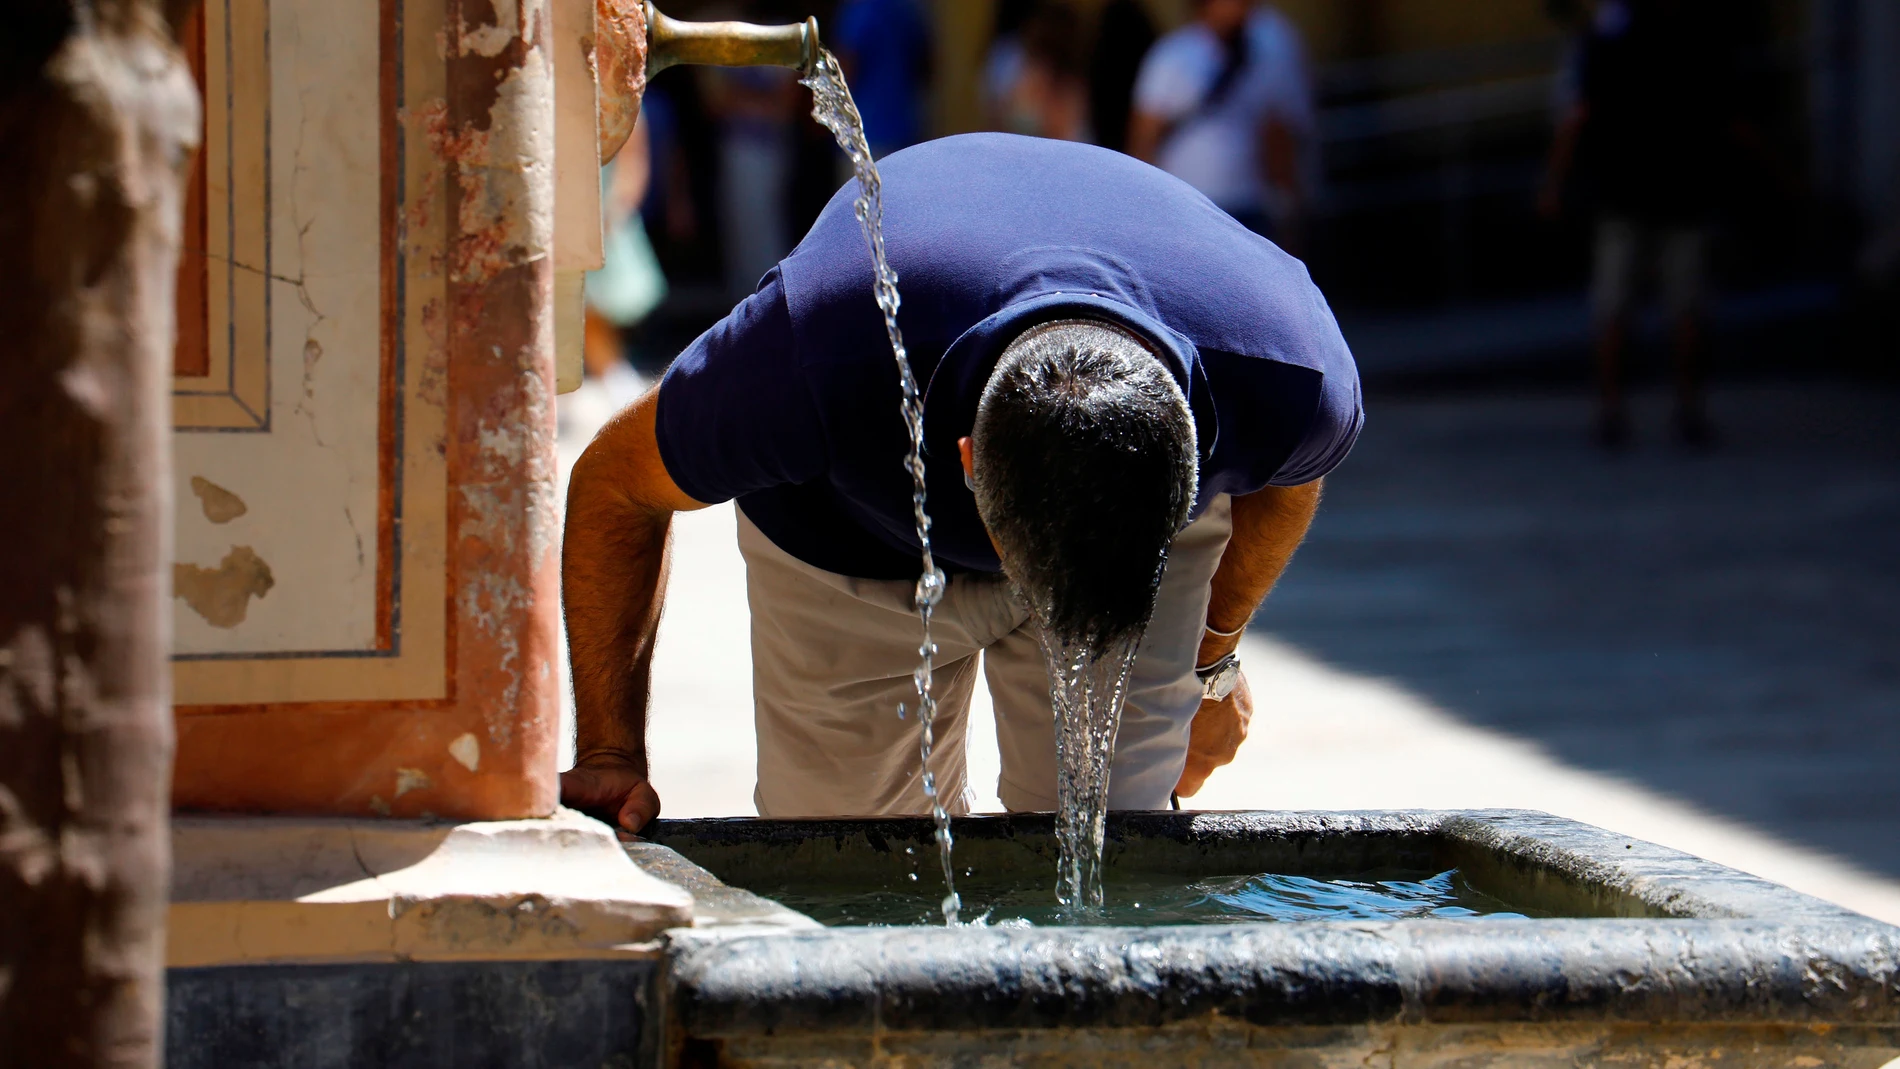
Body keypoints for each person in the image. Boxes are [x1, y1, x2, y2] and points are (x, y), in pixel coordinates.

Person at [560, 134, 1361, 834]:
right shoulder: (816, 352)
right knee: (854, 879)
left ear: (1191, 464)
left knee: (1117, 856)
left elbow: (1291, 479)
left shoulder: (1285, 366)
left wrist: (1210, 658)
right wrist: (608, 750)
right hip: (845, 536)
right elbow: (615, 485)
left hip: (1116, 509)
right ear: (968, 462)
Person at [1540, 0, 1744, 448]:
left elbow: (1578, 114)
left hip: (1626, 196)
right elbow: (1728, 118)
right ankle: (1684, 411)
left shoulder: (1610, 39)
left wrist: (1556, 183)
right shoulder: (1697, 36)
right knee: (1683, 309)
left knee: (1617, 309)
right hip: (1678, 194)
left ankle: (1615, 412)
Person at [1128, 0, 1315, 250]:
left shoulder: (1266, 51)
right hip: (1189, 205)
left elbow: (1275, 133)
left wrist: (1287, 206)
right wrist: (1145, 207)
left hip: (1249, 205)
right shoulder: (1172, 56)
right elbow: (1144, 135)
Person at [830, 0, 934, 160]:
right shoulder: (908, 9)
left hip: (865, 133)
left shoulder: (860, 11)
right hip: (906, 129)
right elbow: (928, 68)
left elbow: (845, 72)